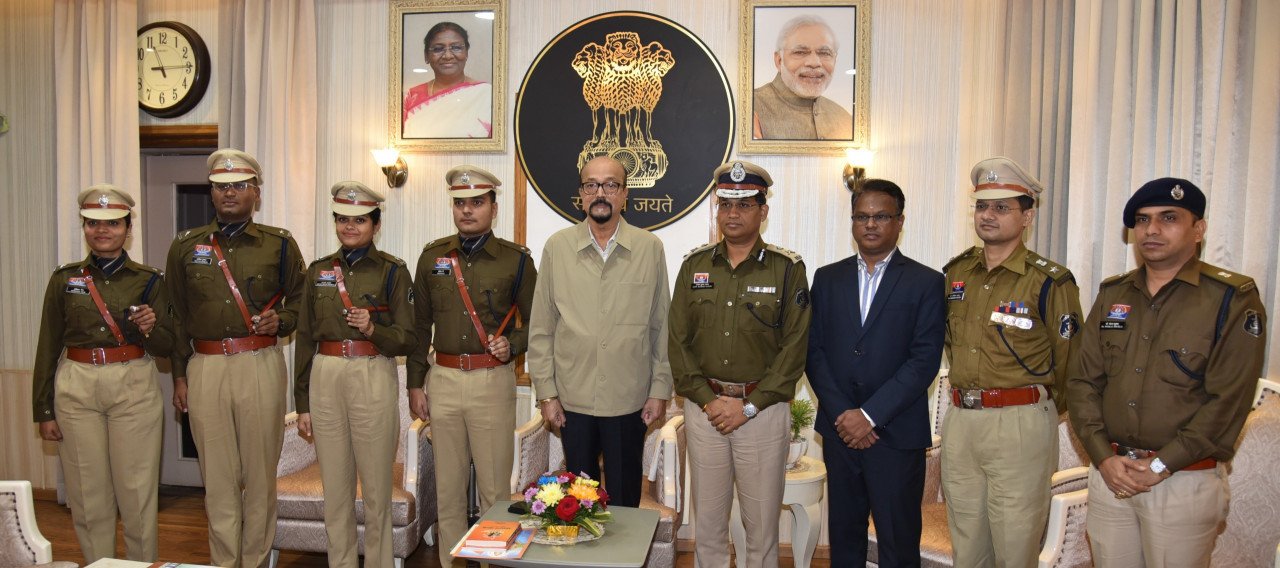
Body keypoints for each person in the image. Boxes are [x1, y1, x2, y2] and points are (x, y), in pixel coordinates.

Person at [1067, 178, 1267, 567]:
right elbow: (1081, 382)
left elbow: (1228, 400)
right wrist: (1103, 458)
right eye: (1142, 220)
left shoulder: (1231, 298)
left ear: (1199, 229)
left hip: (1182, 480)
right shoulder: (1113, 294)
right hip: (1111, 476)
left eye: (1169, 218)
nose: (1152, 230)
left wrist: (1160, 465)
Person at [166, 149, 306, 568]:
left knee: (260, 477)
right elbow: (175, 315)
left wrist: (281, 320)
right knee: (218, 479)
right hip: (205, 367)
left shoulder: (279, 244)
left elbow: (303, 303)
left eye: (239, 185)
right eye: (221, 186)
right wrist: (179, 376)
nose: (229, 193)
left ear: (256, 193)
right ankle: (224, 562)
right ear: (211, 192)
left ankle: (256, 561)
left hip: (259, 362)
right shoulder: (186, 246)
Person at [669, 160, 811, 568]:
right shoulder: (694, 266)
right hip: (706, 412)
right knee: (707, 526)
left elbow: (795, 348)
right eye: (726, 204)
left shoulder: (787, 269)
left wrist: (749, 406)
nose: (733, 213)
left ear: (763, 211)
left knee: (761, 529)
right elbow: (678, 341)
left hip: (761, 413)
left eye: (745, 204)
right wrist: (708, 400)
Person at [941, 156, 1081, 567]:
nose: (988, 215)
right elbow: (949, 342)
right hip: (961, 419)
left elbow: (1071, 361)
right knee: (967, 545)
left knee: (1016, 545)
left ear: (1027, 217)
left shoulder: (1049, 280)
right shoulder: (956, 273)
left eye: (1002, 207)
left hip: (1019, 422)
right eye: (982, 206)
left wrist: (1036, 406)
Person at [806, 179, 945, 567]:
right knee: (844, 540)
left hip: (895, 435)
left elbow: (923, 361)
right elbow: (813, 353)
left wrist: (868, 416)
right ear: (852, 221)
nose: (870, 224)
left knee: (898, 544)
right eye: (861, 216)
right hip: (840, 434)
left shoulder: (926, 282)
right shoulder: (827, 278)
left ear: (900, 221)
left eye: (881, 216)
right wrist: (844, 415)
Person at [32, 185, 172, 563]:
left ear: (128, 228)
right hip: (76, 384)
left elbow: (167, 345)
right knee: (86, 493)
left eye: (112, 223)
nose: (102, 230)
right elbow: (48, 344)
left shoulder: (149, 279)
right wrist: (43, 409)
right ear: (84, 227)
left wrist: (150, 327)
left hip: (132, 382)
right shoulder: (65, 279)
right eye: (93, 223)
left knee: (137, 491)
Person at [407, 166, 536, 568]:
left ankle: (492, 563)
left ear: (493, 208)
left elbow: (539, 323)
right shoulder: (432, 257)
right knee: (447, 488)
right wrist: (415, 383)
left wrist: (512, 344)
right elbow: (418, 327)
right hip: (442, 379)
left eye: (477, 202)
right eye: (460, 202)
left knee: (494, 491)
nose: (466, 210)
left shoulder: (515, 261)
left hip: (491, 380)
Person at [527, 155, 673, 508]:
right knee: (578, 506)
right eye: (591, 185)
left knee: (624, 505)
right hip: (572, 401)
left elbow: (661, 327)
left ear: (625, 194)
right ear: (581, 194)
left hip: (629, 401)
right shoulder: (557, 248)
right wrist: (547, 394)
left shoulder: (649, 248)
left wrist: (659, 390)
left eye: (610, 185)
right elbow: (542, 329)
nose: (601, 193)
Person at [293, 181, 415, 568]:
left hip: (372, 372)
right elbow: (305, 338)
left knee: (377, 488)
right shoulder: (318, 271)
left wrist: (372, 329)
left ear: (375, 225)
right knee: (335, 488)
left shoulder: (393, 271)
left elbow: (407, 338)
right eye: (342, 219)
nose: (349, 226)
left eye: (359, 220)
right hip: (325, 375)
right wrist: (302, 402)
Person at [752, 14, 853, 140]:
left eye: (824, 53)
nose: (814, 63)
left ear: (835, 60)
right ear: (779, 60)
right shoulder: (749, 108)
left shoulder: (844, 119)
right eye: (800, 52)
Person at [403, 21, 492, 139]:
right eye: (438, 49)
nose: (448, 56)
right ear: (426, 56)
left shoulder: (486, 95)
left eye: (456, 48)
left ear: (466, 53)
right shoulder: (412, 96)